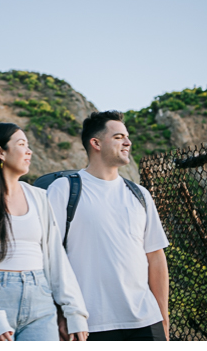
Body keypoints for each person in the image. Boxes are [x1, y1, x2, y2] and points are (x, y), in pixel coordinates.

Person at [0, 123, 89, 341]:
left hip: (40, 300)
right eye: (21, 144)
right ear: (0, 152)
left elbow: (56, 258)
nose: (29, 151)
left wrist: (74, 311)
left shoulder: (38, 197)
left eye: (29, 145)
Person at [47, 112, 170, 341]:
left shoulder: (140, 194)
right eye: (118, 137)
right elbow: (49, 256)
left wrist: (163, 317)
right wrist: (59, 312)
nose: (128, 142)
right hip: (89, 323)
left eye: (127, 136)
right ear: (96, 143)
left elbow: (155, 257)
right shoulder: (64, 189)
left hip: (146, 320)